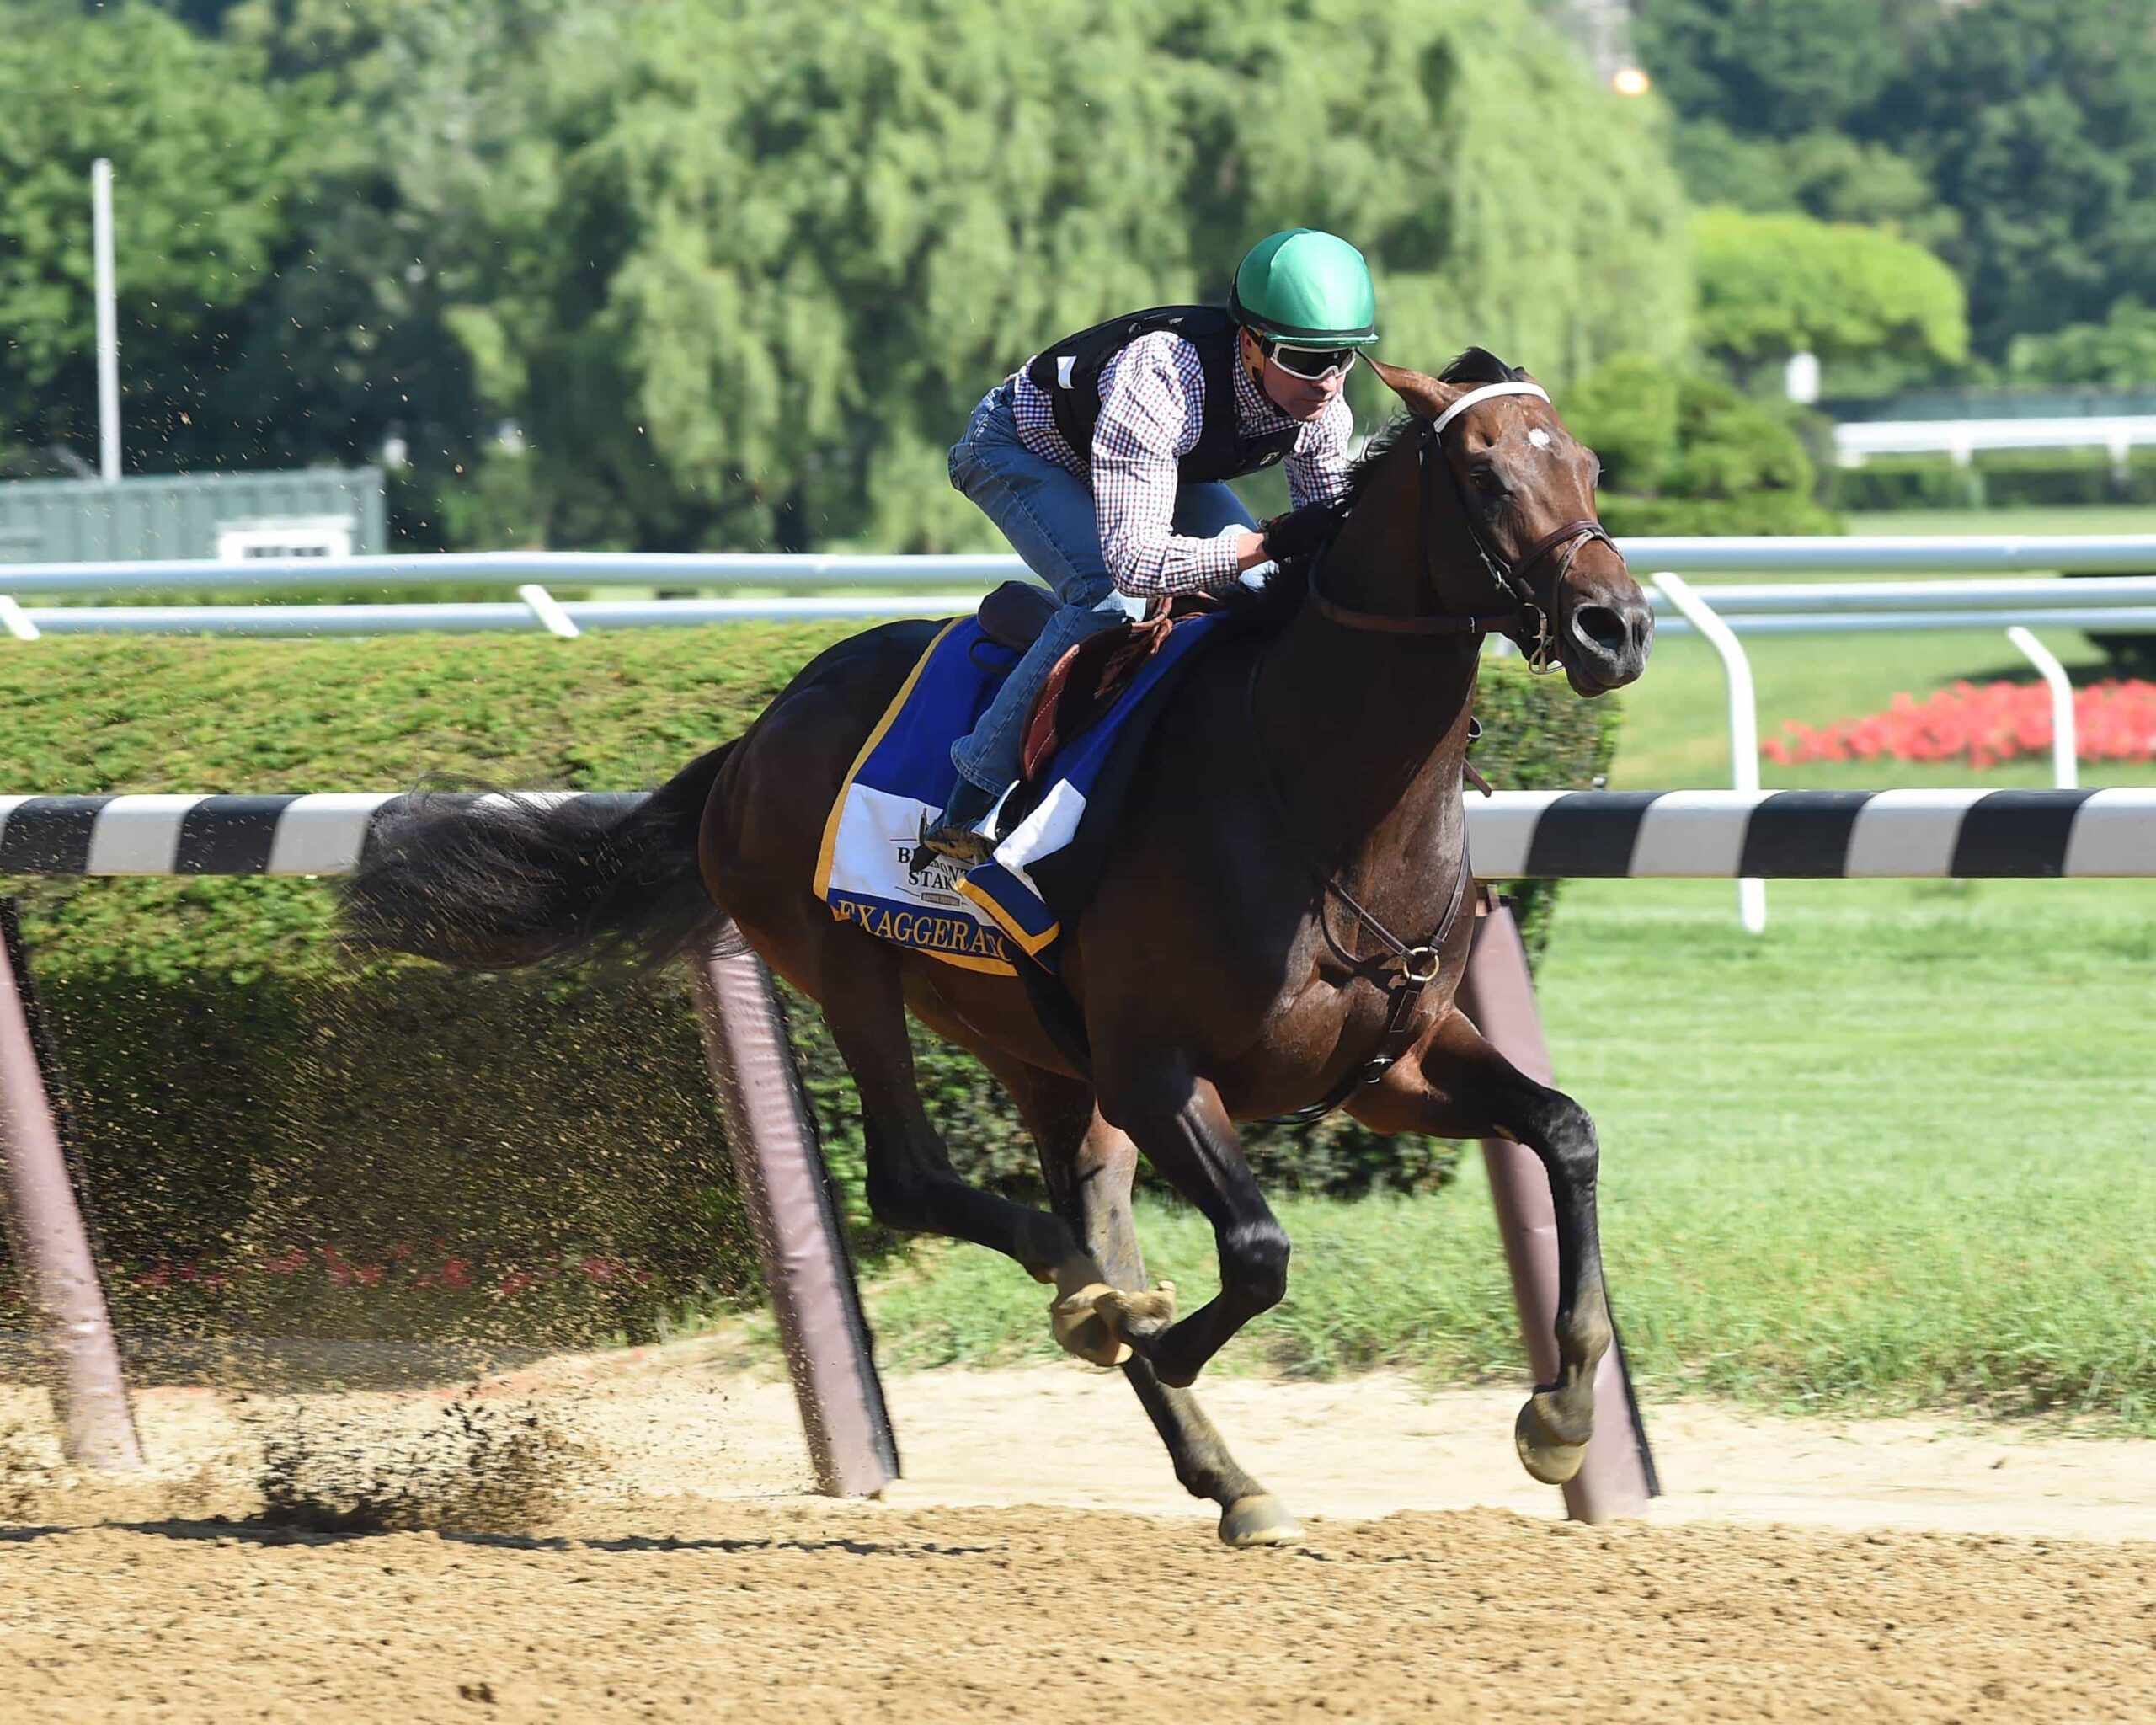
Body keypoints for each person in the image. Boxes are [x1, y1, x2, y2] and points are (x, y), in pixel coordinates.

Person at [923, 227, 1379, 862]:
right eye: (1305, 359)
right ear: (1250, 343)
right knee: (1107, 600)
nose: (1328, 383)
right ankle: (971, 803)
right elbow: (1135, 564)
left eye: (1342, 358)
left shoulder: (1324, 410)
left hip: (1151, 464)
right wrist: (1267, 541)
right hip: (1016, 450)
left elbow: (1337, 548)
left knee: (1258, 594)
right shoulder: (1162, 374)